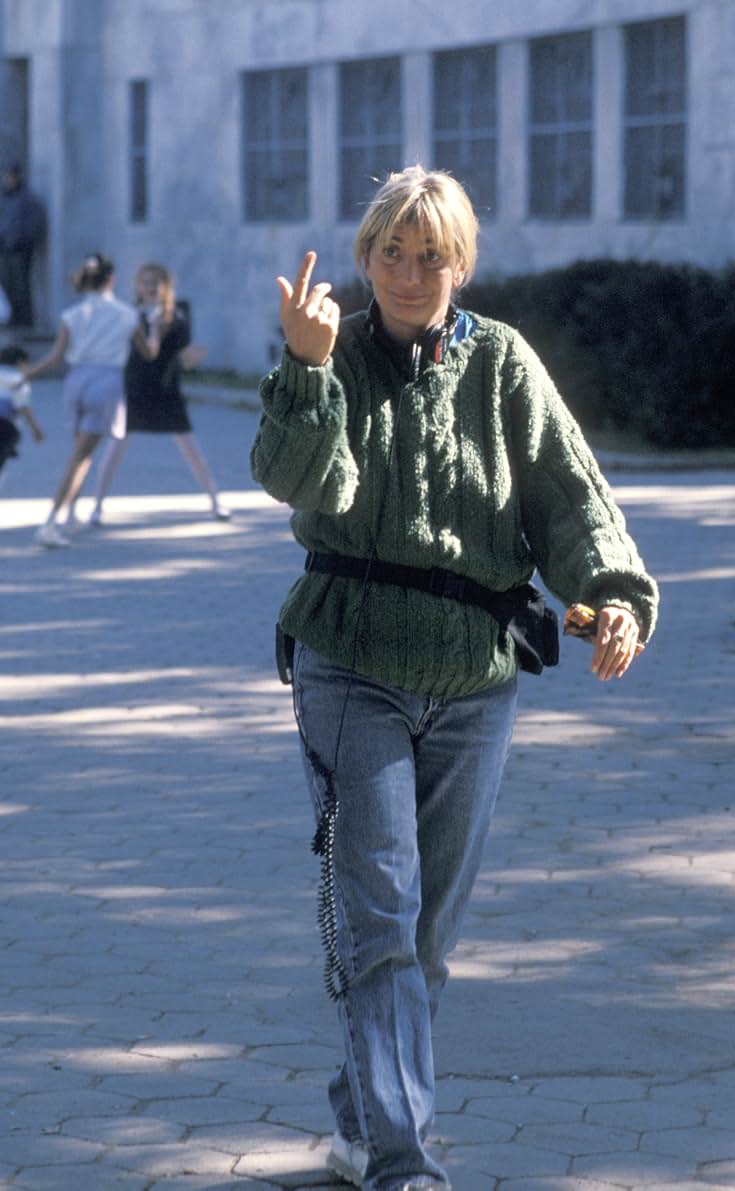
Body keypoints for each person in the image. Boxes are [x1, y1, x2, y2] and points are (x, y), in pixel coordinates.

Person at [250, 165, 659, 1191]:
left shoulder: (503, 365)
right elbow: (306, 485)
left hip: (475, 678)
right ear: (364, 258)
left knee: (426, 936)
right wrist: (305, 371)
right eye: (389, 250)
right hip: (352, 666)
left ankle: (360, 1117)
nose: (406, 271)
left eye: (429, 254)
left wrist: (613, 592)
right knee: (381, 912)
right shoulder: (328, 350)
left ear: (460, 264)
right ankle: (401, 1161)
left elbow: (569, 494)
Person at [20, 252, 158, 548]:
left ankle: (70, 512)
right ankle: (50, 522)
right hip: (106, 383)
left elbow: (56, 358)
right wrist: (156, 327)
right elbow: (149, 354)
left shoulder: (72, 315)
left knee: (80, 450)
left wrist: (27, 374)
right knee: (80, 458)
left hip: (75, 382)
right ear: (111, 279)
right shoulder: (127, 314)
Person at [89, 262, 230, 525]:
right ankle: (96, 506)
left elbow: (182, 359)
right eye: (146, 282)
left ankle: (215, 501)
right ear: (138, 287)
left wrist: (194, 357)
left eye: (156, 282)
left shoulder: (177, 318)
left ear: (166, 287)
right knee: (115, 448)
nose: (151, 287)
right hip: (134, 389)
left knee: (191, 449)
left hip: (166, 390)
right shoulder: (128, 315)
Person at [0, 163, 47, 328]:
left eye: (11, 177)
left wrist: (25, 239)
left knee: (21, 286)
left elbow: (37, 221)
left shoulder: (27, 198)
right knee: (7, 283)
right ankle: (13, 317)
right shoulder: (6, 198)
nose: (8, 180)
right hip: (6, 248)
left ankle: (25, 319)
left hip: (21, 248)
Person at [0, 345, 44, 482]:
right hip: (5, 426)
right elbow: (23, 407)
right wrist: (36, 430)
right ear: (20, 362)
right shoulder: (18, 380)